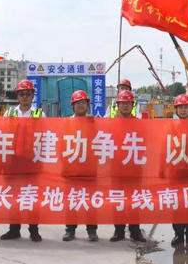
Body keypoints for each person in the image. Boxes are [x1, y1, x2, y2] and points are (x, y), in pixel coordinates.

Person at [1, 80, 43, 242]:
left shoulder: (39, 114)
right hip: (13, 161)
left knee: (31, 196)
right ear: (17, 96)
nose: (25, 97)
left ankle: (34, 230)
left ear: (32, 95)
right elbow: (2, 135)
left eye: (28, 94)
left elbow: (46, 136)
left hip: (32, 161)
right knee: (14, 196)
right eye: (21, 94)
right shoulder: (9, 113)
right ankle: (14, 229)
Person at [108, 88, 146, 243]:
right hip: (116, 169)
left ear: (132, 105)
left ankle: (135, 231)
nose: (125, 106)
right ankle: (119, 231)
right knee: (118, 200)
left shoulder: (138, 124)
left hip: (134, 169)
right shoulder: (110, 124)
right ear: (117, 105)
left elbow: (145, 143)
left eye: (128, 103)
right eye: (122, 103)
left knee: (134, 200)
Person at [62, 89, 99, 242]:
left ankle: (92, 230)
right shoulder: (66, 122)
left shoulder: (94, 122)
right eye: (77, 103)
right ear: (72, 105)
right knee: (72, 200)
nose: (81, 105)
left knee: (90, 200)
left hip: (89, 168)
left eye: (83, 102)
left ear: (87, 105)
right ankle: (70, 230)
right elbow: (61, 144)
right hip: (72, 167)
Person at [170, 93, 188, 248]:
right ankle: (178, 234)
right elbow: (164, 148)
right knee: (177, 204)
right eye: (180, 107)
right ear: (176, 109)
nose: (183, 110)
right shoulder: (170, 127)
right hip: (176, 171)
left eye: (186, 107)